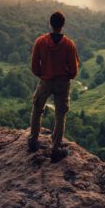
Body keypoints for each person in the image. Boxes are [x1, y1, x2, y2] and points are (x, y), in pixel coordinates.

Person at [28, 11, 79, 162]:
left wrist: (42, 75)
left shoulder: (41, 42)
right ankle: (56, 148)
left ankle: (33, 141)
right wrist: (67, 77)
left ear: (50, 23)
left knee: (37, 109)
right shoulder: (69, 44)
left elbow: (34, 65)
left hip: (46, 81)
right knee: (60, 114)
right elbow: (74, 69)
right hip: (62, 83)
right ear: (62, 25)